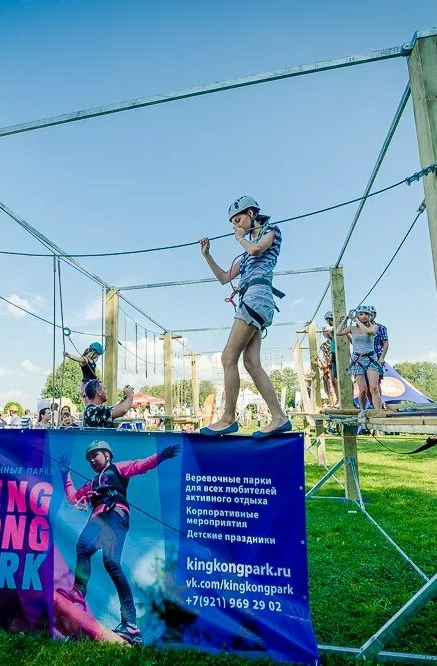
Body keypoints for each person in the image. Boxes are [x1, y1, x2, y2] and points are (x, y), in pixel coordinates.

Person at [57, 440, 180, 644]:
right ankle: (84, 597)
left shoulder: (117, 469)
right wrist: (65, 474)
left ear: (107, 455)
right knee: (93, 553)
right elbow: (72, 498)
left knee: (105, 560)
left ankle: (128, 622)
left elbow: (140, 465)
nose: (91, 461)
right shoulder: (91, 484)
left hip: (114, 516)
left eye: (94, 456)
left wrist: (161, 456)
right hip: (101, 518)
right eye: (88, 459)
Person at [198, 196, 290, 438]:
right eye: (234, 224)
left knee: (228, 357)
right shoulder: (245, 255)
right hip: (251, 300)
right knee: (251, 363)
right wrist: (207, 255)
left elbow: (258, 247)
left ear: (251, 213)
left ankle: (228, 418)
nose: (236, 227)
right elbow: (223, 277)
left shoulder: (271, 231)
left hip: (257, 297)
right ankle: (279, 416)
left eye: (238, 220)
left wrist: (240, 239)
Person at [337, 306, 384, 413]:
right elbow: (338, 332)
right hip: (357, 359)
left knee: (374, 388)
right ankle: (362, 411)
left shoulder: (374, 327)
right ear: (358, 315)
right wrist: (346, 319)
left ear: (370, 316)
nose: (363, 316)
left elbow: (368, 332)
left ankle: (378, 412)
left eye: (366, 314)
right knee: (362, 390)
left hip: (371, 358)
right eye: (361, 314)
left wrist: (356, 319)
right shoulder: (352, 329)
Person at [369, 306, 389, 377]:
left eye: (371, 314)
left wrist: (382, 357)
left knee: (376, 382)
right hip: (364, 359)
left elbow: (385, 343)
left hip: (376, 357)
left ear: (375, 315)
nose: (369, 316)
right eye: (368, 314)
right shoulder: (360, 329)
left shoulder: (381, 328)